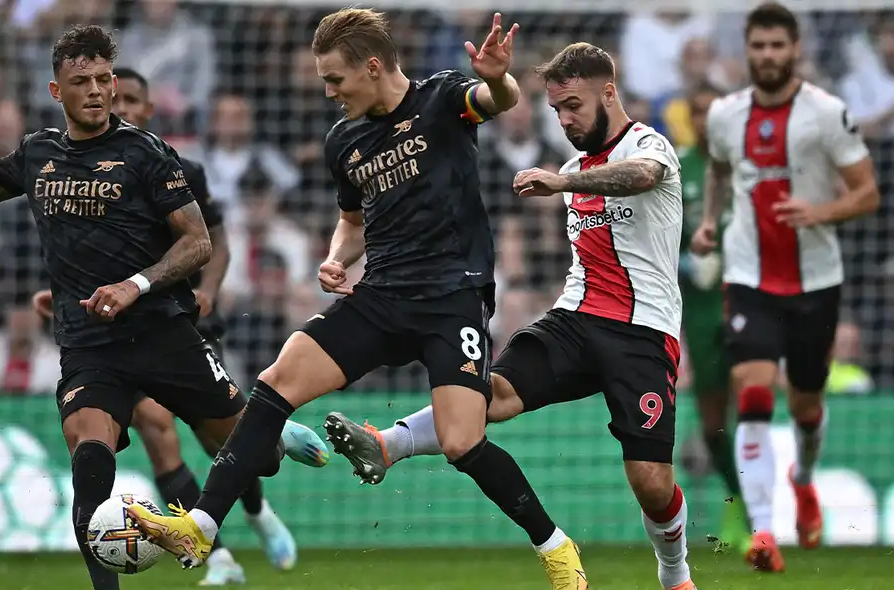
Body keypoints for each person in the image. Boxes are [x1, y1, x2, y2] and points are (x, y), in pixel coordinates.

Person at [127, 8, 588, 590]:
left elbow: (500, 99)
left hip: (453, 296)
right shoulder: (343, 140)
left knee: (462, 441)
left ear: (372, 67)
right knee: (276, 382)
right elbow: (352, 220)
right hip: (383, 294)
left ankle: (555, 546)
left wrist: (498, 77)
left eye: (335, 79)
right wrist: (336, 256)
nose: (328, 91)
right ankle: (200, 524)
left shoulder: (442, 99)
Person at [0, 25, 325, 590]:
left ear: (113, 84)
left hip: (162, 333)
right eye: (80, 81)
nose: (94, 90)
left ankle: (270, 430)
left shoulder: (147, 153)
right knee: (89, 460)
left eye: (102, 79)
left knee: (253, 456)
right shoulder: (39, 152)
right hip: (90, 344)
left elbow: (199, 242)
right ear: (55, 90)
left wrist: (134, 285)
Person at [324, 42, 699, 590]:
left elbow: (640, 176)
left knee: (651, 481)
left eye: (573, 105)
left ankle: (675, 573)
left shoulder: (647, 145)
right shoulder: (572, 166)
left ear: (608, 92)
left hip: (641, 331)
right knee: (487, 394)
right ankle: (388, 445)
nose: (565, 120)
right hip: (574, 319)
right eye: (557, 111)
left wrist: (562, 182)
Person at [28, 65, 329, 586]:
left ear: (143, 107)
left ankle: (261, 492)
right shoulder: (73, 166)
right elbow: (87, 254)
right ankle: (220, 559)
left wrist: (208, 291)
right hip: (105, 341)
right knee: (153, 435)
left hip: (172, 323)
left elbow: (212, 239)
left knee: (231, 445)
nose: (119, 107)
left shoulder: (174, 166)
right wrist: (61, 299)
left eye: (131, 100)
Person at [692, 3, 879, 572]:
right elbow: (721, 170)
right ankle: (764, 531)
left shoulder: (826, 113)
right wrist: (710, 222)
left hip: (815, 282)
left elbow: (867, 192)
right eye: (759, 46)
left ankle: (801, 479)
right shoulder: (725, 114)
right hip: (748, 276)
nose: (768, 56)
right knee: (752, 394)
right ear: (747, 50)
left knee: (805, 407)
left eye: (778, 46)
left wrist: (821, 211)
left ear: (795, 50)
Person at [676, 83, 749, 551]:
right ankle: (739, 500)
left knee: (751, 408)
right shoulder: (677, 166)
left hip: (747, 303)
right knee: (712, 422)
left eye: (712, 111)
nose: (704, 120)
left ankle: (753, 514)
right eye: (697, 111)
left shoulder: (747, 169)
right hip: (700, 311)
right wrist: (686, 262)